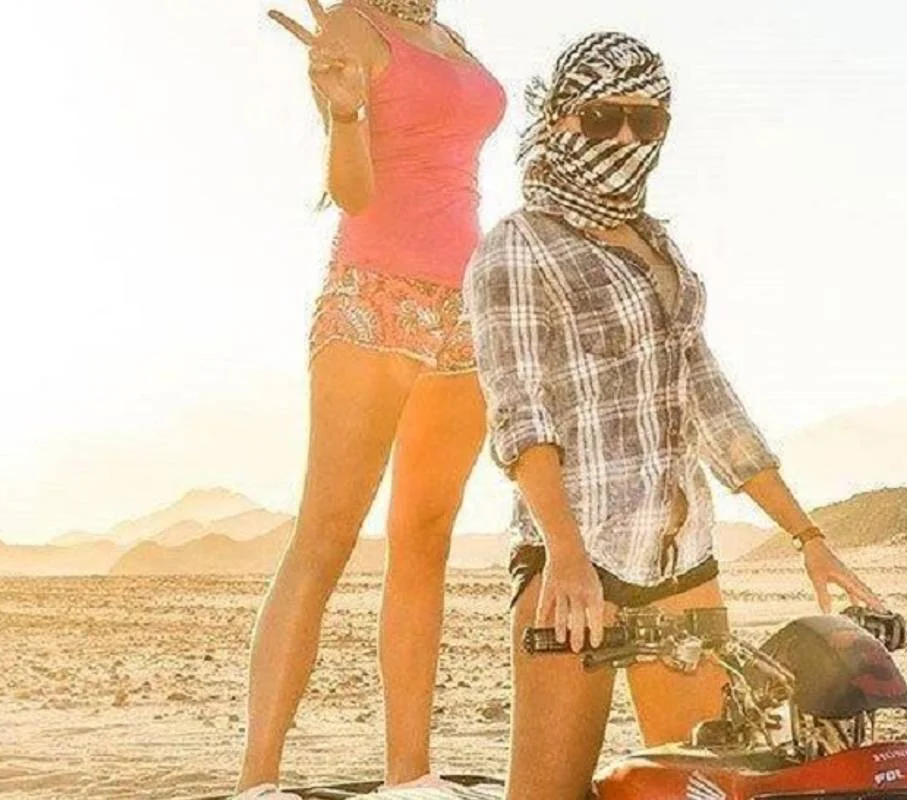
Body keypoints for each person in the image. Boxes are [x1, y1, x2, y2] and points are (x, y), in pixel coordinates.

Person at [465, 32, 885, 800]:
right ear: (559, 118)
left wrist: (809, 537)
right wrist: (565, 553)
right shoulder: (518, 247)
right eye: (604, 118)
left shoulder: (660, 247)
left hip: (683, 564)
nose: (626, 138)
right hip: (579, 563)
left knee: (707, 790)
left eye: (648, 121)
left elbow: (712, 407)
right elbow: (520, 410)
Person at [236, 0, 505, 797]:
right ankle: (258, 780)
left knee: (424, 540)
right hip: (375, 299)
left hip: (466, 310)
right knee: (325, 534)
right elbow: (353, 193)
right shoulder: (353, 27)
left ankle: (409, 777)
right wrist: (347, 112)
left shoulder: (447, 35)